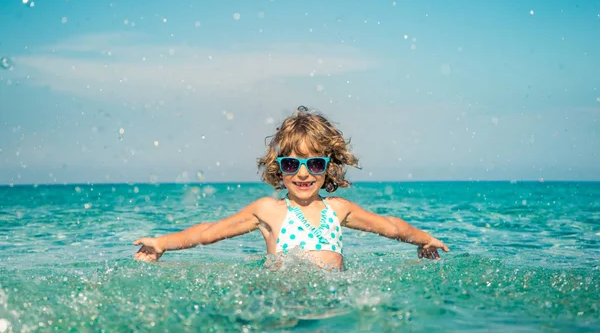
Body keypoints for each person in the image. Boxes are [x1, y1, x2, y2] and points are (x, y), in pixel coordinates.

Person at [134, 106, 449, 270]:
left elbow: (390, 227)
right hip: (281, 301)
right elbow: (209, 231)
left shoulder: (338, 209)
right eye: (290, 164)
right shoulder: (269, 210)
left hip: (331, 303)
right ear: (278, 167)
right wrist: (162, 242)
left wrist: (423, 239)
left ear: (327, 166)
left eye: (313, 164)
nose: (302, 174)